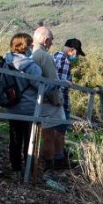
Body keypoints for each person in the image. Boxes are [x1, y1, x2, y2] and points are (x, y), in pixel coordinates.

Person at [0, 33, 42, 179]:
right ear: (25, 46)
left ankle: (16, 169)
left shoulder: (6, 61)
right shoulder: (31, 66)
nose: (32, 48)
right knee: (29, 140)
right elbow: (40, 86)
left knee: (15, 138)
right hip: (29, 107)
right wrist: (57, 86)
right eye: (30, 45)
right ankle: (29, 171)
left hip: (12, 105)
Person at [30, 26, 66, 168]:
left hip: (35, 99)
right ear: (46, 40)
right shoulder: (44, 56)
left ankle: (41, 163)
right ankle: (51, 164)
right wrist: (58, 100)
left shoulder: (31, 53)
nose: (51, 44)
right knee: (50, 135)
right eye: (51, 41)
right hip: (47, 103)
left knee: (41, 135)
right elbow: (53, 81)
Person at [51, 38, 85, 168]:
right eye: (77, 54)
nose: (76, 57)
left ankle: (53, 156)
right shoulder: (64, 60)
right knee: (60, 131)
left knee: (53, 131)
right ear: (73, 50)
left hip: (53, 101)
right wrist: (68, 83)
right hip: (60, 102)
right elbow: (61, 84)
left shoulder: (55, 55)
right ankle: (58, 159)